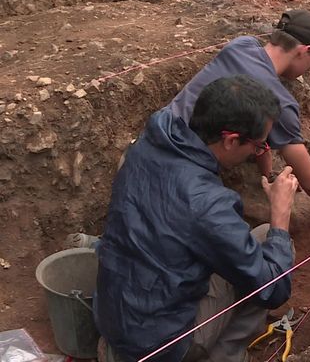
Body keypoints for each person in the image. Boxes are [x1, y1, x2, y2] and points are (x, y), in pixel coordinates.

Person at [94, 75, 299, 362]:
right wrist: (281, 214)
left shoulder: (149, 144)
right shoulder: (207, 203)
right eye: (258, 145)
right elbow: (273, 290)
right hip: (161, 346)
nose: (259, 152)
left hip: (114, 318)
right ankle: (223, 356)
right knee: (270, 240)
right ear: (230, 140)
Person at [168, 9, 310, 212]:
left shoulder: (241, 44)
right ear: (304, 51)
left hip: (156, 137)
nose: (309, 68)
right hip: (180, 179)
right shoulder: (280, 103)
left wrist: (267, 171)